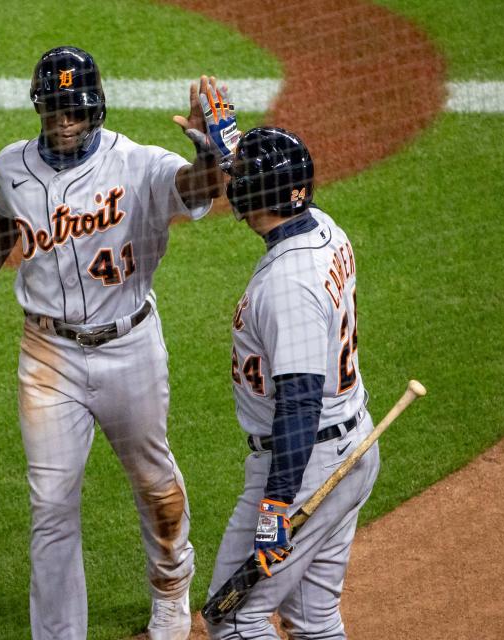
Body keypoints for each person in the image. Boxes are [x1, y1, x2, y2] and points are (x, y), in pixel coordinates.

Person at [0, 46, 239, 640]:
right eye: (54, 109)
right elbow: (2, 217)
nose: (63, 121)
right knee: (51, 508)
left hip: (129, 349)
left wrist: (210, 154)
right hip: (47, 354)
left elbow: (196, 188)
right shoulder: (13, 165)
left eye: (74, 111)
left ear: (96, 110)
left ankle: (170, 590)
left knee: (152, 481)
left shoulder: (136, 163)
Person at [204, 127, 378, 639]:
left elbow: (299, 402)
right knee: (313, 619)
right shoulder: (323, 226)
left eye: (239, 175)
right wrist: (227, 142)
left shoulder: (288, 286)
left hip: (305, 468)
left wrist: (276, 505)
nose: (232, 181)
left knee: (233, 620)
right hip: (350, 444)